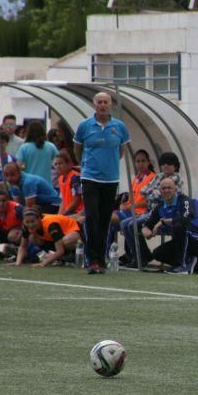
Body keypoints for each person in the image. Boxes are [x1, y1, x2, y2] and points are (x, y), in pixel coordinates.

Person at [73, 91, 131, 274]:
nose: (103, 105)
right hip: (90, 177)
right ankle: (93, 260)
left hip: (111, 179)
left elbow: (121, 151)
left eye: (106, 102)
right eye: (100, 102)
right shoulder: (85, 126)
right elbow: (77, 148)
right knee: (92, 217)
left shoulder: (120, 127)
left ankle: (101, 258)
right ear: (95, 105)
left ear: (111, 105)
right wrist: (85, 166)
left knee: (105, 219)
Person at [141, 177, 198, 274]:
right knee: (157, 254)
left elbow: (184, 219)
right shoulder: (160, 206)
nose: (166, 190)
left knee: (179, 225)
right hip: (183, 242)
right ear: (160, 191)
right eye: (163, 189)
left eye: (169, 188)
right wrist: (146, 230)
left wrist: (162, 222)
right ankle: (196, 262)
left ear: (175, 190)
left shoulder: (185, 200)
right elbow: (149, 223)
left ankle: (183, 265)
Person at [117, 149, 156, 267]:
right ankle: (126, 254)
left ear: (149, 162)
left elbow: (149, 202)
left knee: (116, 221)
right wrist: (124, 205)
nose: (140, 164)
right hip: (132, 211)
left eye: (143, 161)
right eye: (138, 161)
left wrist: (130, 206)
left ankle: (138, 256)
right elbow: (132, 199)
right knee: (113, 222)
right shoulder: (136, 178)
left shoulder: (153, 178)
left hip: (142, 212)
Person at [14, 207, 83, 268]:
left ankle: (74, 255)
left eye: (32, 221)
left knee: (66, 241)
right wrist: (18, 262)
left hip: (76, 231)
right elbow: (23, 246)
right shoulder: (26, 226)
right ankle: (60, 258)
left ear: (39, 219)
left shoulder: (51, 225)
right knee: (32, 238)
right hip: (58, 237)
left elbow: (60, 251)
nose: (30, 225)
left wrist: (43, 263)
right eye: (27, 222)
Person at [17, 120, 58, 185]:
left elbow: (18, 167)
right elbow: (58, 162)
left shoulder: (24, 147)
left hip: (30, 183)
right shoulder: (51, 146)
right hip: (47, 183)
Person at [54, 151, 84, 218]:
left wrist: (64, 215)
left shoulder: (75, 177)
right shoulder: (60, 178)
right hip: (68, 212)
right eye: (55, 164)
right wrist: (59, 216)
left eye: (60, 163)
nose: (58, 166)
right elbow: (63, 201)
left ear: (68, 164)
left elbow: (77, 200)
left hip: (77, 212)